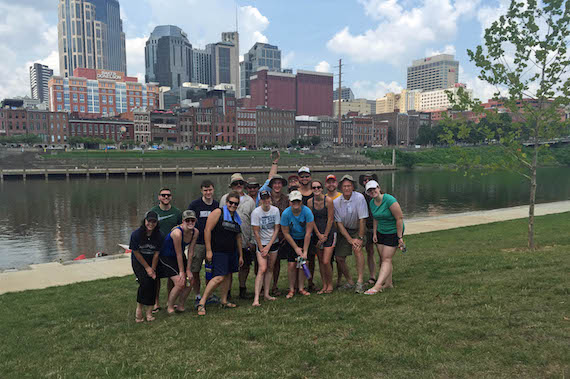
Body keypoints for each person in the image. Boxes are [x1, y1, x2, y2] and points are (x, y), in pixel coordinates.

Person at [197, 192, 244, 316]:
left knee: (228, 276)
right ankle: (202, 302)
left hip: (232, 251)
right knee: (219, 277)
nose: (233, 205)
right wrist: (208, 250)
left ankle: (224, 300)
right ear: (226, 202)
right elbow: (207, 230)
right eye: (231, 203)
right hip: (218, 251)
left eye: (236, 203)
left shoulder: (236, 217)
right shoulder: (218, 212)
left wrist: (240, 255)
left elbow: (238, 237)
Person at [364, 180, 405, 295]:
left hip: (393, 231)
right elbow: (376, 218)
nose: (373, 192)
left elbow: (399, 218)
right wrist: (375, 233)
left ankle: (377, 286)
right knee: (383, 258)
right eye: (370, 191)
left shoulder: (389, 199)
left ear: (379, 188)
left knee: (386, 258)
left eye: (374, 189)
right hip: (381, 231)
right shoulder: (372, 203)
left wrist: (400, 237)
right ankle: (388, 283)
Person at [220, 173, 256, 299]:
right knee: (228, 268)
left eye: (241, 183)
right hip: (228, 239)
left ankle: (242, 289)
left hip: (245, 239)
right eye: (236, 184)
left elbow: (253, 222)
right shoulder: (224, 198)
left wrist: (252, 240)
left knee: (244, 266)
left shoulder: (250, 200)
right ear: (231, 186)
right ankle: (227, 292)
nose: (239, 185)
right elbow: (221, 218)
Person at [156, 210, 198, 314]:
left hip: (179, 256)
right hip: (166, 256)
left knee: (191, 280)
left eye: (192, 220)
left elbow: (191, 252)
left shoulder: (195, 232)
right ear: (183, 221)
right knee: (180, 282)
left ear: (195, 221)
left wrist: (188, 270)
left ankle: (181, 305)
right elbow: (179, 253)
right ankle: (170, 307)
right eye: (187, 220)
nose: (190, 222)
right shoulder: (177, 233)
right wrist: (182, 272)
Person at [333, 175, 369, 294]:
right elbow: (339, 223)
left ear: (353, 187)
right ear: (340, 188)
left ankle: (359, 281)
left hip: (358, 229)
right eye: (344, 186)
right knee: (339, 257)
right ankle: (349, 281)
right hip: (345, 231)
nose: (347, 188)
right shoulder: (336, 202)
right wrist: (349, 239)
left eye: (349, 186)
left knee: (357, 249)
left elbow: (362, 219)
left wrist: (359, 237)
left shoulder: (359, 198)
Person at [149, 187, 182, 313]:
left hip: (172, 249)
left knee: (171, 276)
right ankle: (156, 303)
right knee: (156, 277)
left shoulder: (177, 212)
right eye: (163, 195)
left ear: (171, 197)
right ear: (159, 197)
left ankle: (170, 300)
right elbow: (148, 228)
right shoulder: (153, 212)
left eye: (168, 195)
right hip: (157, 249)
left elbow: (181, 228)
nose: (166, 197)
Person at [188, 180, 219, 306]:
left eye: (210, 190)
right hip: (197, 243)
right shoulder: (194, 205)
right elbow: (188, 222)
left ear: (213, 190)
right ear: (201, 191)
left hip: (212, 243)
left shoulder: (216, 205)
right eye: (205, 190)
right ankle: (197, 295)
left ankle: (209, 294)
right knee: (195, 270)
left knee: (210, 270)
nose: (208, 192)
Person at [280, 190, 315, 299]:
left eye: (298, 201)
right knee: (291, 265)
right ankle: (291, 289)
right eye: (293, 201)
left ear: (301, 202)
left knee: (304, 263)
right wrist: (295, 248)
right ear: (290, 202)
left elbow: (308, 232)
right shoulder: (286, 213)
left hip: (304, 238)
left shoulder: (307, 212)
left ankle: (301, 288)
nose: (295, 203)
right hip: (292, 239)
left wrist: (304, 251)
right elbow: (285, 232)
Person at [129, 211, 162, 322]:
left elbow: (157, 253)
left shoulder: (159, 235)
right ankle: (139, 310)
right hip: (138, 261)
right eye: (149, 221)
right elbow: (136, 252)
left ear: (157, 222)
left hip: (152, 260)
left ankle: (149, 312)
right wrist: (147, 268)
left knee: (153, 282)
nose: (151, 224)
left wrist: (152, 269)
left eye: (154, 221)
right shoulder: (136, 234)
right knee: (144, 283)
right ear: (145, 221)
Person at [251, 190, 281, 306]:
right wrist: (262, 248)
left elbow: (276, 229)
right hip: (261, 243)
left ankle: (267, 294)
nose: (266, 201)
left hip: (272, 243)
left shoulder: (275, 210)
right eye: (264, 199)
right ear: (261, 200)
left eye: (268, 198)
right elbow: (256, 232)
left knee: (270, 268)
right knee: (262, 268)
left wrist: (269, 246)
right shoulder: (256, 212)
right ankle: (256, 298)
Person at [307, 180, 336, 294]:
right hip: (317, 233)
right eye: (314, 188)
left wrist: (325, 235)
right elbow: (311, 219)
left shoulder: (328, 201)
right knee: (320, 261)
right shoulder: (310, 202)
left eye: (318, 187)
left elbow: (330, 219)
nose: (316, 189)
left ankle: (330, 284)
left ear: (322, 189)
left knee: (326, 261)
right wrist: (318, 234)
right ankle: (324, 285)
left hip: (329, 233)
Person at [359, 172, 379, 285]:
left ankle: (384, 274)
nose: (367, 182)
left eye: (370, 179)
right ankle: (372, 276)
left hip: (380, 227)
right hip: (367, 227)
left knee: (382, 252)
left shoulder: (380, 195)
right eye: (365, 180)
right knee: (370, 251)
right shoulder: (361, 196)